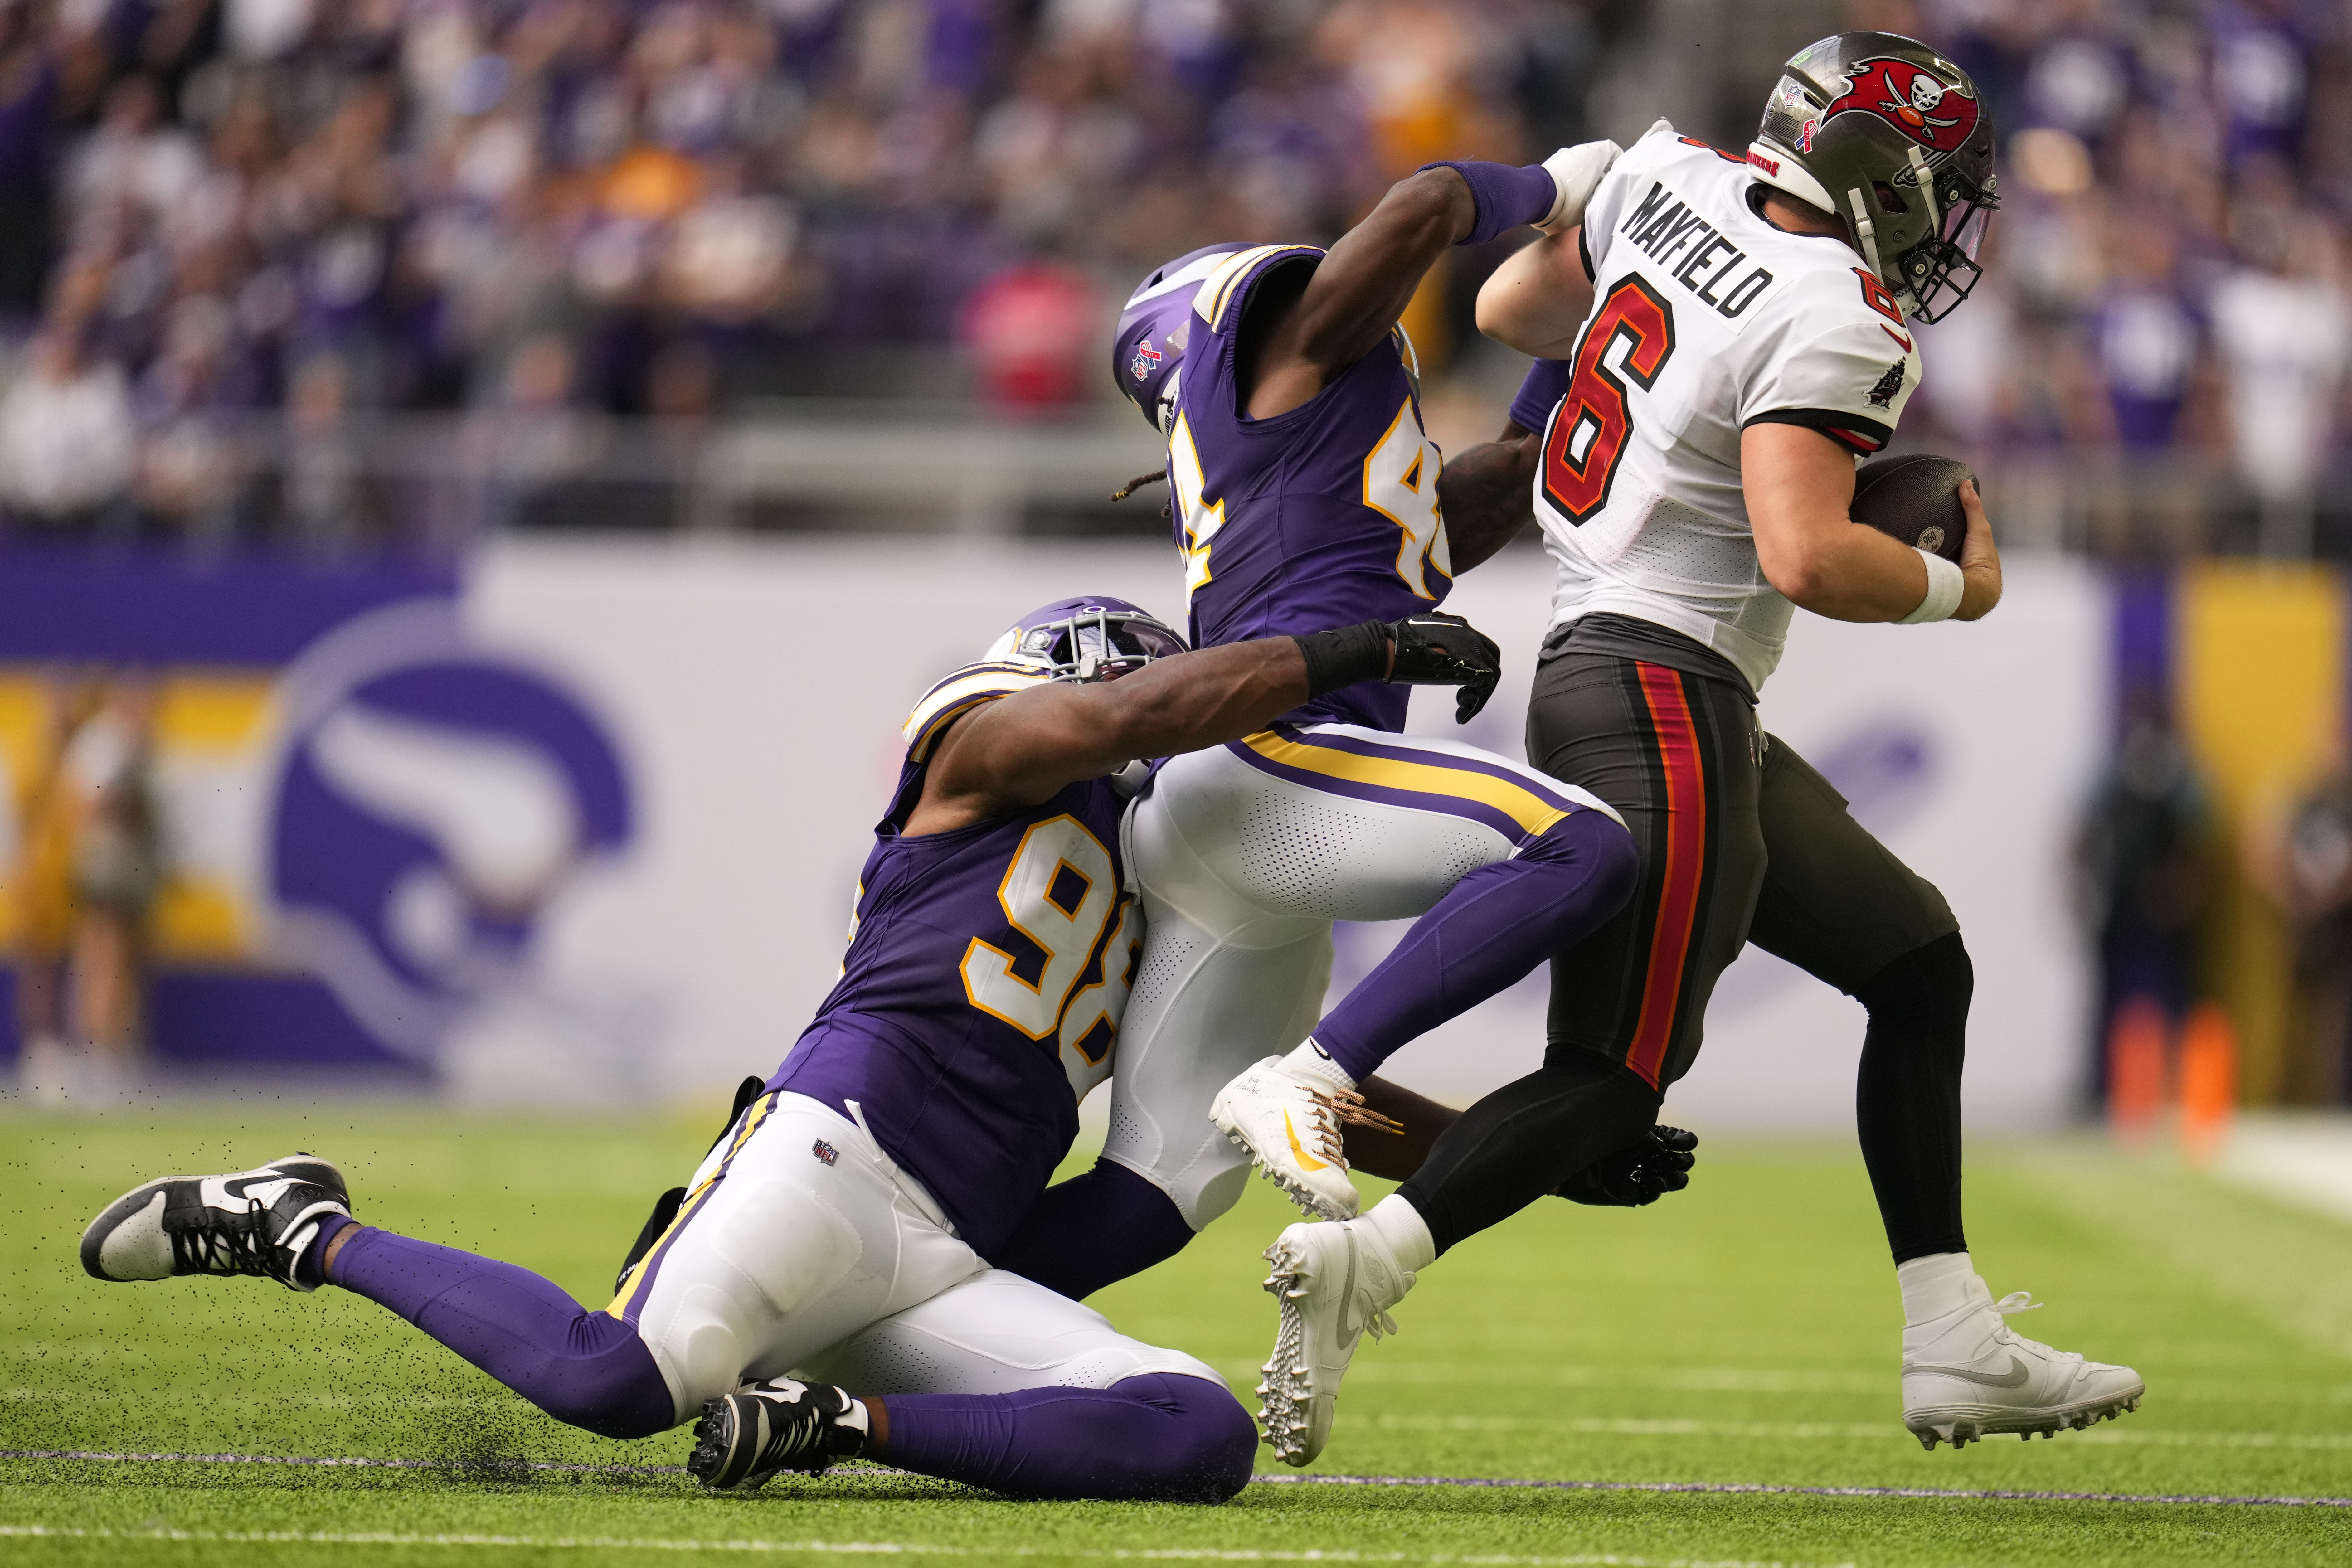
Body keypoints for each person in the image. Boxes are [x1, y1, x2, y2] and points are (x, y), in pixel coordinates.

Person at [1246, 32, 2145, 1465]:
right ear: (1883, 173)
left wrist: (1652, 295)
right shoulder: (1846, 312)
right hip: (1663, 690)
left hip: (1630, 674)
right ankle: (1376, 1258)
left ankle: (1952, 1335)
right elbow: (1802, 550)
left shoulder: (1667, 174)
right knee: (1611, 1078)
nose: (1947, 220)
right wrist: (1955, 587)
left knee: (1918, 963)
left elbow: (1513, 306)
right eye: (1940, 188)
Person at [79, 597, 1503, 1502]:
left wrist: (1520, 1147)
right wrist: (1342, 654)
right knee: (617, 1384)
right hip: (833, 1148)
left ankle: (831, 1422)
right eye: (1153, 703)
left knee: (1194, 1432)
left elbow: (1268, 1084)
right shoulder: (982, 750)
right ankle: (295, 1223)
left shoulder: (1162, 880)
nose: (1163, 748)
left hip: (951, 1252)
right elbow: (1135, 715)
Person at [1000, 140, 1670, 1312]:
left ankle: (866, 1323)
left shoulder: (1323, 465)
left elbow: (1516, 469)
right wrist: (1567, 186)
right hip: (1276, 766)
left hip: (1235, 815)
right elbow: (1424, 207)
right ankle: (1313, 1071)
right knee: (1581, 845)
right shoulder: (1279, 371)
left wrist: (1598, 316)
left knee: (1158, 1190)